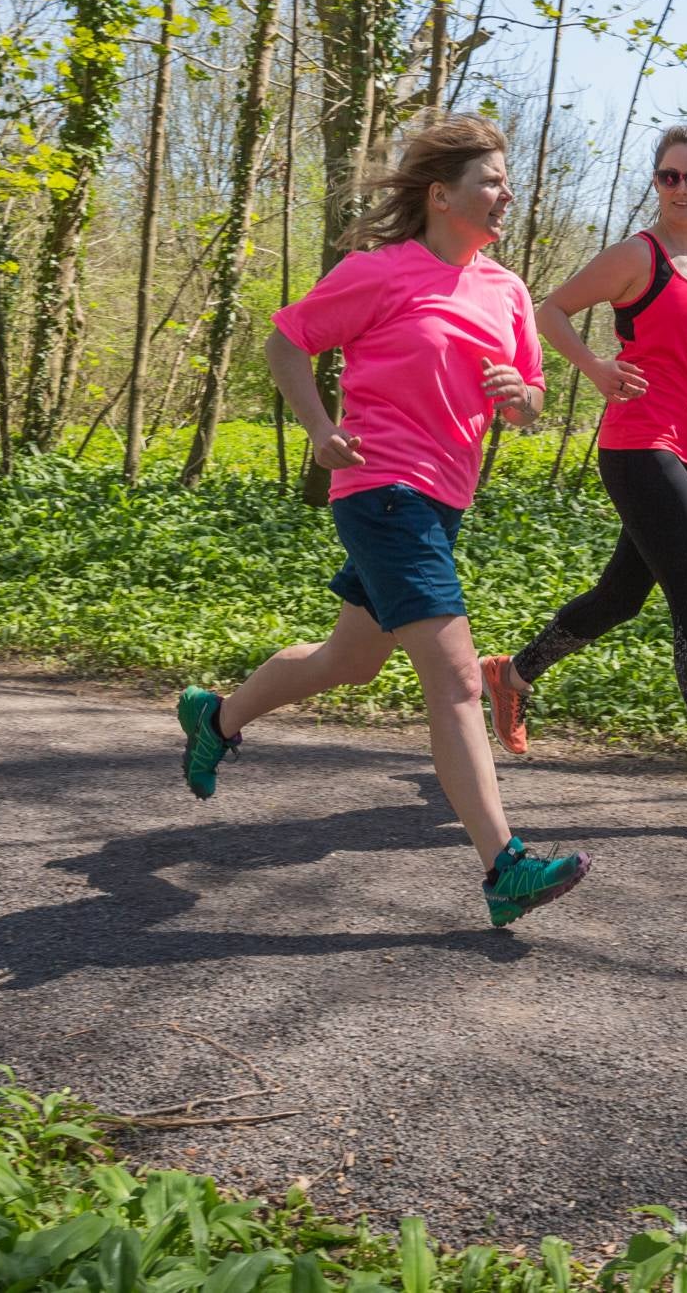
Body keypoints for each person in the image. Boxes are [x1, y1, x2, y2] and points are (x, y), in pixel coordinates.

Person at [175, 114, 590, 928]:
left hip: (445, 500)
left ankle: (214, 717)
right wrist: (320, 429)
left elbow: (533, 405)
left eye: (507, 181)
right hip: (382, 490)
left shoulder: (505, 290)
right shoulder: (381, 273)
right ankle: (503, 868)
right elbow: (288, 342)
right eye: (492, 181)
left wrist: (523, 400)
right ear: (442, 196)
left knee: (350, 660)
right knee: (459, 678)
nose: (507, 194)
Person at [482, 123, 687, 818]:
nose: (680, 188)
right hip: (636, 443)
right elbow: (551, 310)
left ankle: (513, 673)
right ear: (656, 183)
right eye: (668, 176)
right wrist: (596, 368)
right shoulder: (637, 255)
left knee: (621, 598)